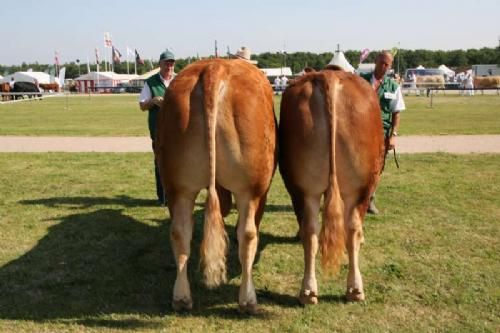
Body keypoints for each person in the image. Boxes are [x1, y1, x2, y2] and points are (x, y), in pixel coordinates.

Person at [360, 50, 406, 214]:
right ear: (376, 61)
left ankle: (370, 200)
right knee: (357, 166)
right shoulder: (360, 81)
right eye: (382, 63)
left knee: (377, 168)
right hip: (360, 132)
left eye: (387, 64)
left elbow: (396, 113)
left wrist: (393, 136)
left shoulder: (393, 86)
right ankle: (355, 199)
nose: (384, 67)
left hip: (382, 134)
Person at [139, 49, 176, 206]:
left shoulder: (180, 80)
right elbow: (142, 105)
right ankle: (163, 198)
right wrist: (153, 101)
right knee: (160, 163)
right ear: (160, 64)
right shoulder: (151, 82)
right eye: (166, 63)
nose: (169, 66)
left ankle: (178, 196)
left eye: (171, 63)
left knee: (178, 163)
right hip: (159, 130)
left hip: (178, 131)